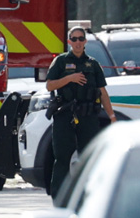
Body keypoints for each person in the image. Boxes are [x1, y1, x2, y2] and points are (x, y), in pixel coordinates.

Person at [46, 26, 116, 198]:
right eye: (74, 39)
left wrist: (112, 116)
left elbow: (103, 92)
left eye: (80, 39)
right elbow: (50, 85)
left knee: (89, 155)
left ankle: (89, 195)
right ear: (69, 41)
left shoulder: (93, 64)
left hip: (88, 114)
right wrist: (70, 78)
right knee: (62, 156)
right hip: (65, 113)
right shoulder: (61, 62)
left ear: (85, 41)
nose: (77, 42)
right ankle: (60, 196)